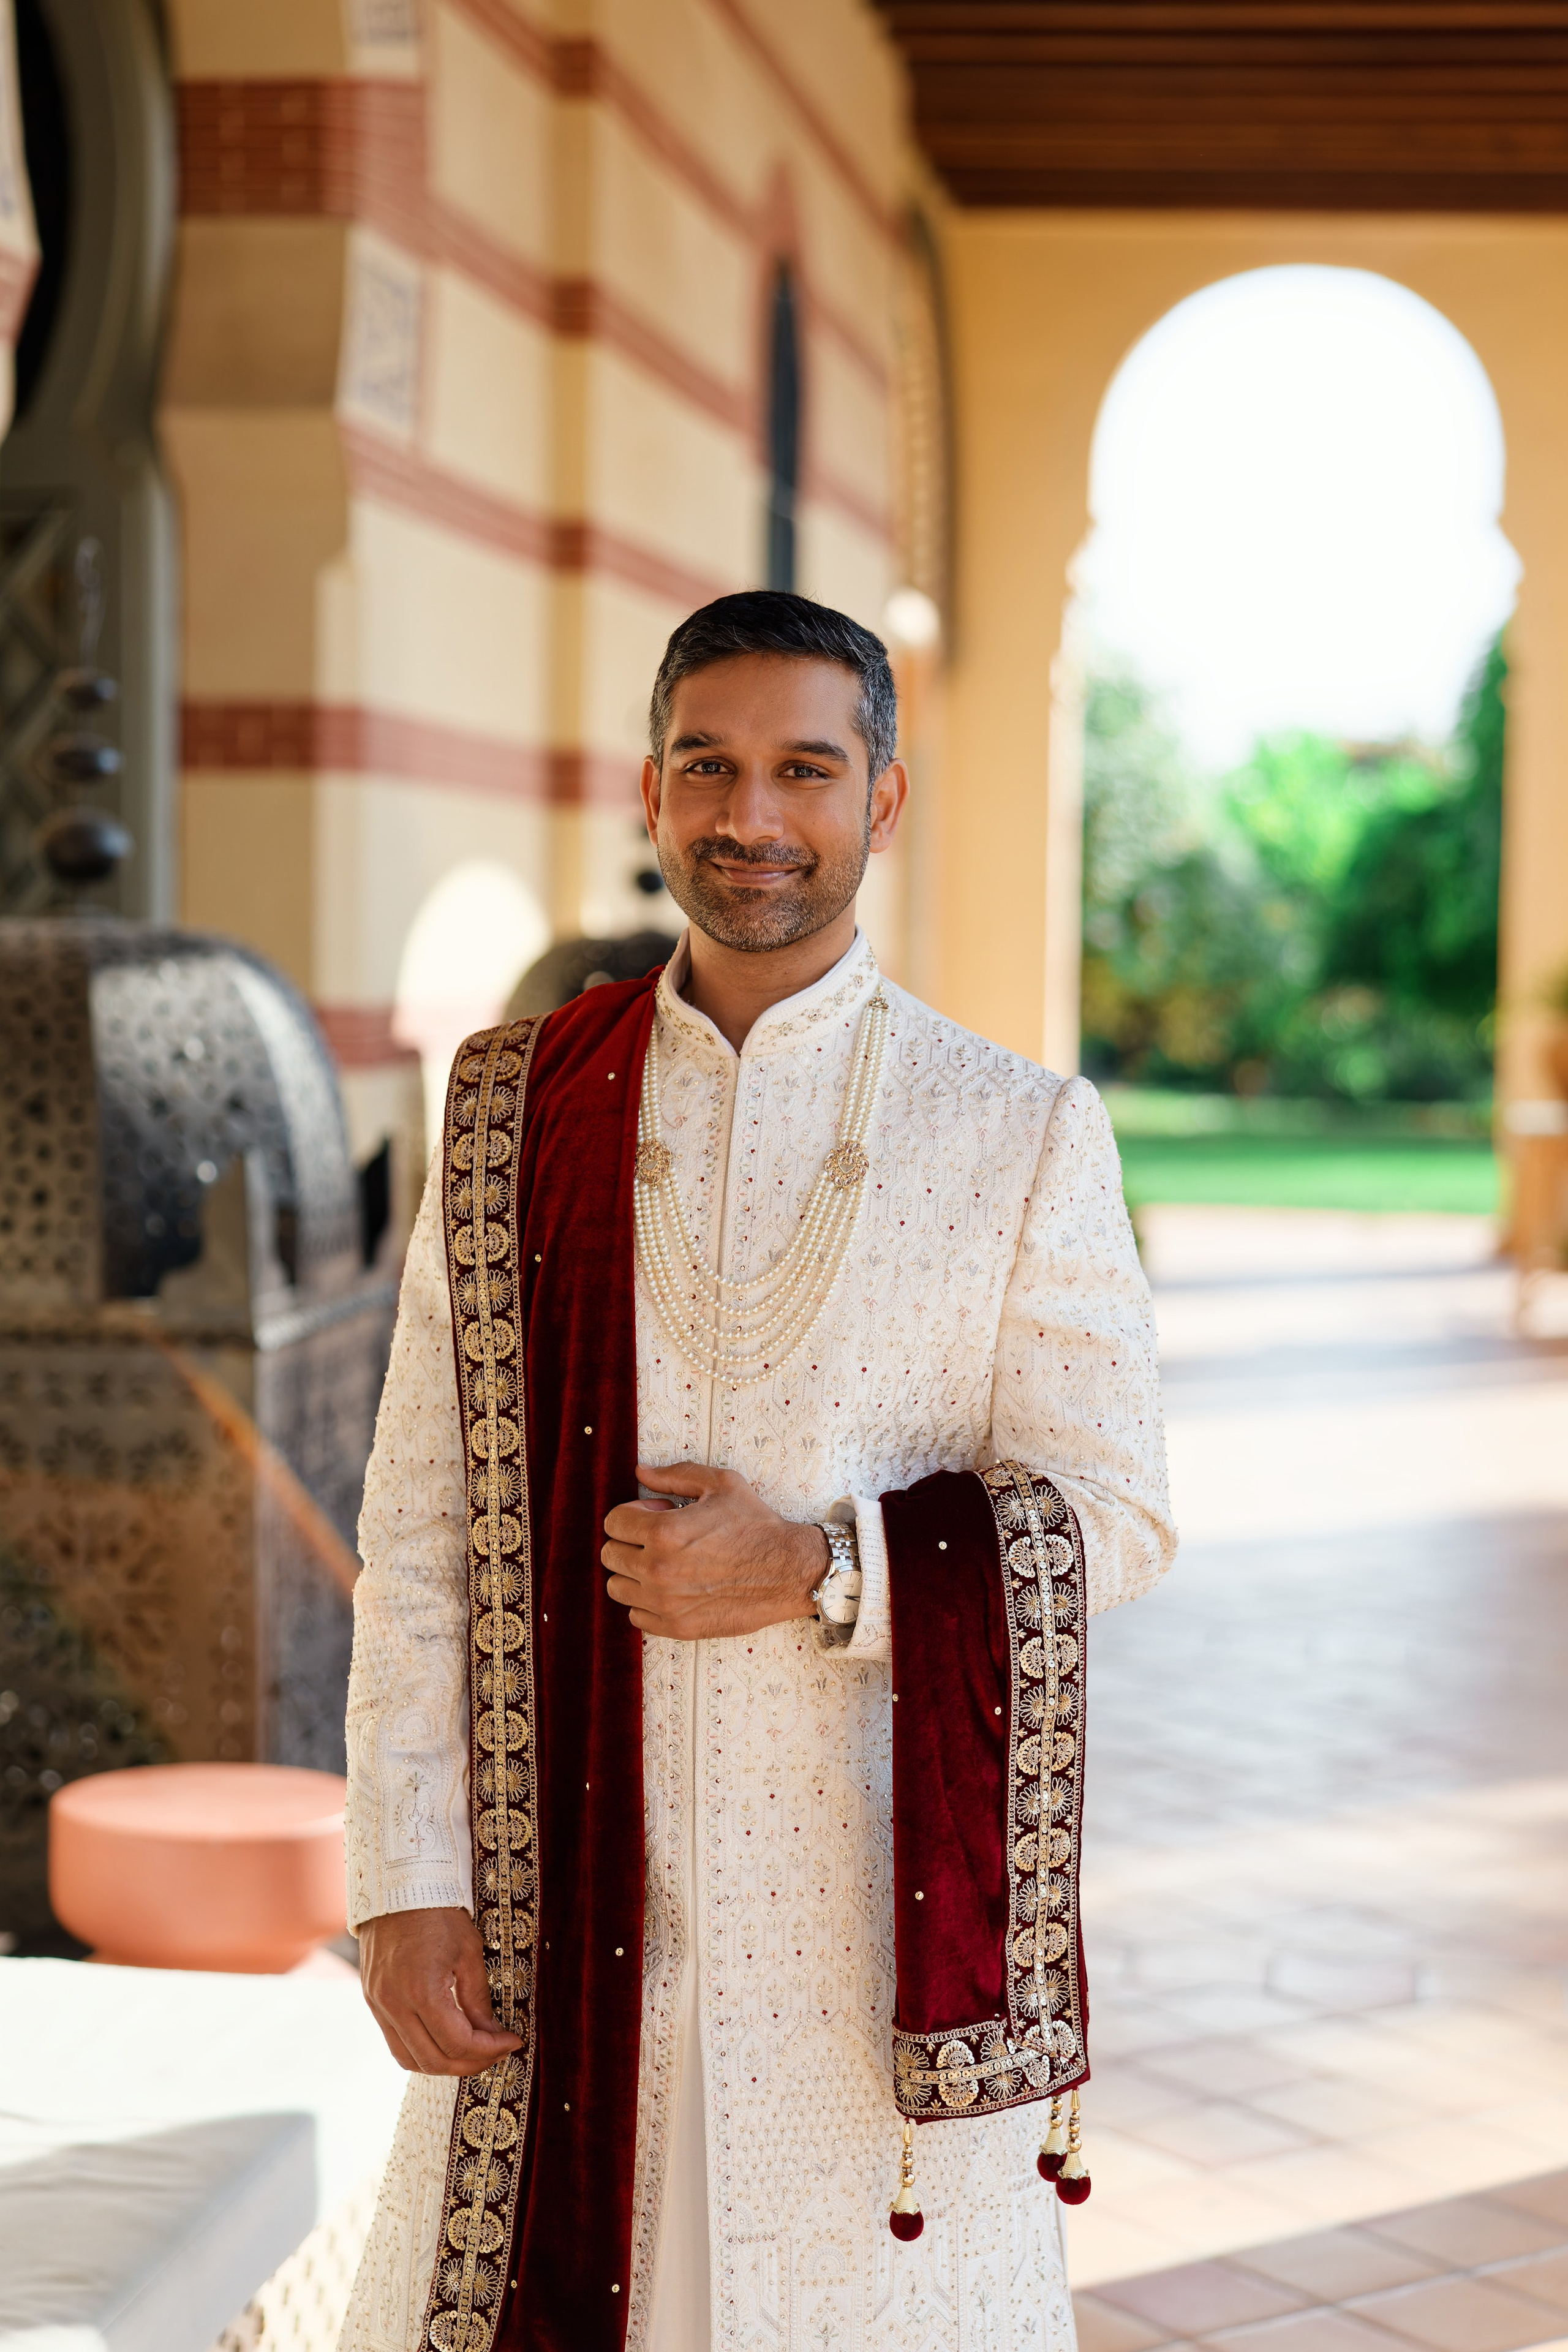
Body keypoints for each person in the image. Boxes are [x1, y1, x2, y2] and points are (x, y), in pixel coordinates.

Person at [341, 592, 1174, 2352]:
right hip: (559, 1892)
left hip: (860, 1916)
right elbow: (420, 1525)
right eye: (709, 769)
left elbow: (1120, 1514)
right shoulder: (512, 1108)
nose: (753, 819)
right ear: (652, 795)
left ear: (879, 798)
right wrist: (406, 1871)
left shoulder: (1017, 1131)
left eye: (805, 768)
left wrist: (825, 1570)